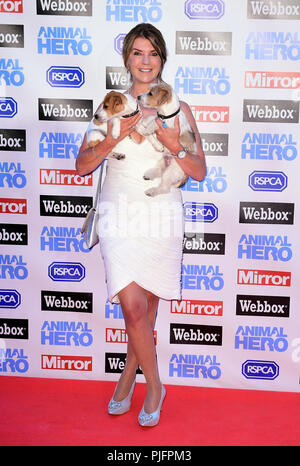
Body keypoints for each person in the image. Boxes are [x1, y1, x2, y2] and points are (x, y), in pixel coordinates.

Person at [76, 23, 206, 427]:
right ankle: (155, 387)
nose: (145, 61)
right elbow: (82, 165)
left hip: (161, 212)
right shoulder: (112, 102)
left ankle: (127, 376)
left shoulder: (178, 108)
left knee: (145, 314)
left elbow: (198, 171)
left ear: (162, 58)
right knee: (132, 309)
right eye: (137, 52)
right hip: (119, 212)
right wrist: (114, 138)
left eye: (152, 53)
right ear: (127, 59)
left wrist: (172, 144)